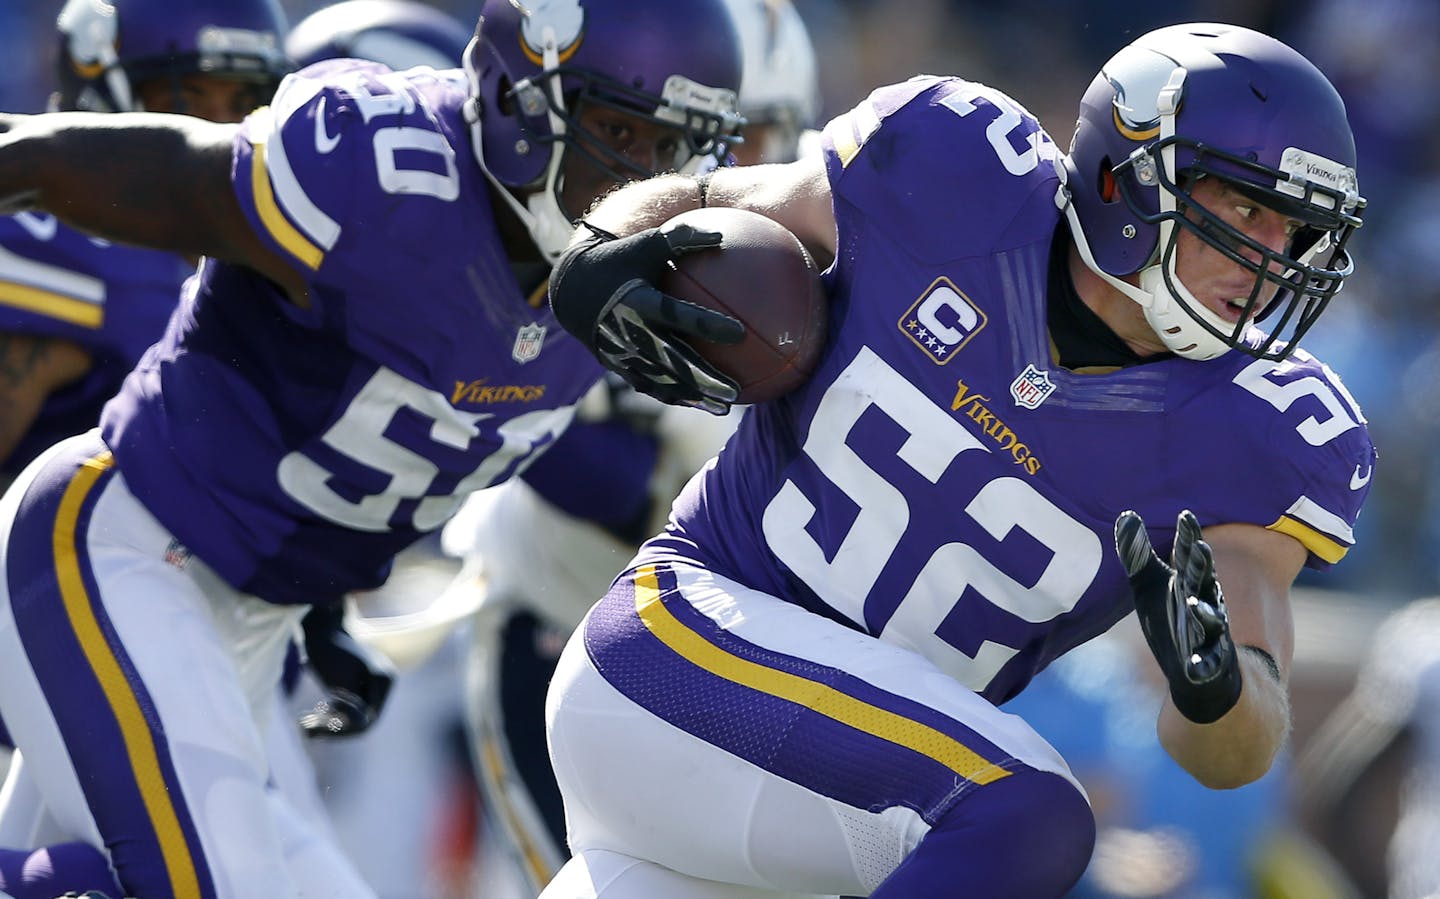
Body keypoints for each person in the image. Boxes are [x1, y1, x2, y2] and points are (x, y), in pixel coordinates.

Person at [540, 21, 1374, 899]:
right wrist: (604, 248)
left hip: (809, 804)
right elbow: (700, 199)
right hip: (673, 657)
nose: (1270, 259)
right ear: (1124, 174)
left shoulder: (1265, 429)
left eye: (1295, 232)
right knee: (1029, 813)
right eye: (1246, 209)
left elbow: (1231, 753)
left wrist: (1215, 689)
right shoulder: (956, 167)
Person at [0, 0, 744, 896]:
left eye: (673, 147)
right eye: (620, 128)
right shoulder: (386, 171)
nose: (644, 174)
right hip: (125, 555)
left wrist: (319, 605)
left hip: (252, 622)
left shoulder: (618, 288)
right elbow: (178, 172)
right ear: (521, 99)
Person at [441, 1, 824, 893]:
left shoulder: (811, 267)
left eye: (745, 135)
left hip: (716, 678)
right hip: (553, 625)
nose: (733, 172)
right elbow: (574, 469)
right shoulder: (580, 230)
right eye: (648, 131)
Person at [0, 1, 290, 896]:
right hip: (49, 593)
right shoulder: (71, 246)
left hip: (172, 616)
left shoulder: (275, 248)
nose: (210, 128)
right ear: (98, 83)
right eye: (183, 96)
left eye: (241, 98)